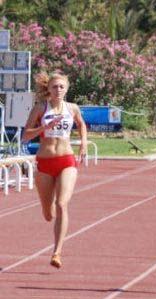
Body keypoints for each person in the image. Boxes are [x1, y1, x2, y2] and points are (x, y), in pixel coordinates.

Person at [23, 72, 87, 269]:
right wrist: (45, 127)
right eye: (54, 87)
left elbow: (81, 124)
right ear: (48, 89)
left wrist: (83, 142)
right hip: (45, 162)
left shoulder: (72, 108)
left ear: (66, 89)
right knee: (48, 213)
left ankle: (57, 252)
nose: (58, 90)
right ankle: (46, 208)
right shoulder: (40, 108)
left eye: (61, 86)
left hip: (66, 160)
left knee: (61, 204)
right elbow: (25, 135)